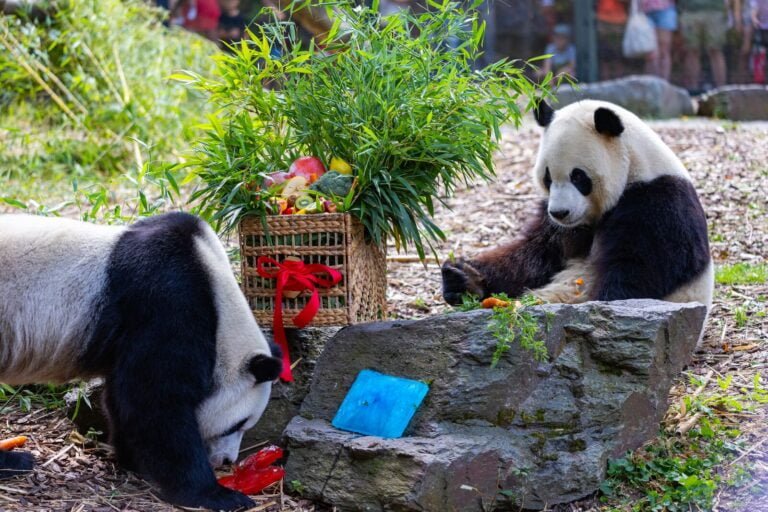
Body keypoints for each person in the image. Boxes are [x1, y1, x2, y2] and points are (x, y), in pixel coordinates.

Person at [678, 0, 730, 91]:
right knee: (691, 51)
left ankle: (721, 90)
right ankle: (692, 91)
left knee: (716, 50)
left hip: (715, 10)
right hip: (689, 10)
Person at [641, 0, 677, 80]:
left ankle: (664, 83)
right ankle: (651, 83)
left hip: (665, 9)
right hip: (644, 11)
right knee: (650, 52)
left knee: (664, 51)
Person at [596, 0, 629, 80]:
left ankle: (619, 81)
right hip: (602, 19)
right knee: (603, 55)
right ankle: (605, 82)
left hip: (618, 22)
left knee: (617, 55)